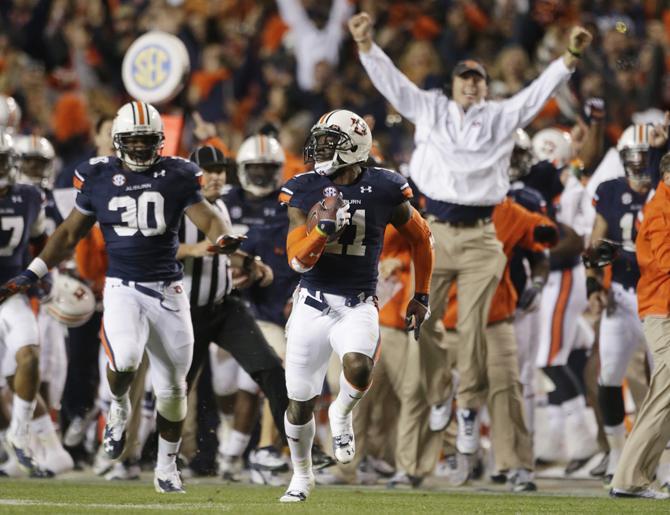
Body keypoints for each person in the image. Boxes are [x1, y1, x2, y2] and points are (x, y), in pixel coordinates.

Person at [348, 12, 593, 453]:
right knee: (419, 322)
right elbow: (394, 84)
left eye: (477, 78)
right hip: (436, 228)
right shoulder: (431, 109)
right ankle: (442, 394)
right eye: (464, 77)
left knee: (475, 325)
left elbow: (538, 93)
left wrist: (569, 57)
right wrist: (367, 47)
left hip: (482, 231)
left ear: (484, 85)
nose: (471, 83)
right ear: (454, 83)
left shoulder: (500, 116)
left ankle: (465, 410)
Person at [0, 101, 244, 494]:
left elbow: (208, 216)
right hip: (123, 288)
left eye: (149, 141)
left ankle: (166, 467)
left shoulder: (178, 174)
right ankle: (118, 407)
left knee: (173, 390)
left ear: (160, 142)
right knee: (126, 358)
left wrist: (221, 236)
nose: (143, 150)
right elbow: (67, 234)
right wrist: (33, 272)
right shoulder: (97, 176)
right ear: (117, 142)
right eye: (134, 141)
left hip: (169, 290)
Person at [277, 109, 434, 502]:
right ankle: (301, 475)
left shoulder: (385, 188)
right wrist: (321, 232)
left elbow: (422, 238)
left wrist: (422, 294)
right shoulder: (304, 187)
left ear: (355, 148)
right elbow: (296, 260)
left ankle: (342, 414)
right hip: (312, 302)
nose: (320, 149)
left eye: (330, 142)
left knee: (359, 366)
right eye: (321, 140)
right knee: (299, 402)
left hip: (358, 302)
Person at [586, 125, 664, 487]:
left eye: (644, 156)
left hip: (654, 292)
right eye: (632, 156)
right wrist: (592, 285)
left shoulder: (659, 192)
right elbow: (596, 241)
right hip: (624, 293)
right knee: (610, 374)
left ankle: (655, 463)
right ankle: (621, 454)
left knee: (660, 383)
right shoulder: (612, 190)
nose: (638, 164)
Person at [610, 153, 670, 499]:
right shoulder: (661, 209)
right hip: (661, 311)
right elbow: (665, 259)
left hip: (662, 308)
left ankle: (637, 476)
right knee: (664, 392)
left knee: (664, 393)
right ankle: (629, 477)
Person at [0, 128, 50, 477]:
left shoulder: (30, 196)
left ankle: (19, 433)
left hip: (10, 292)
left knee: (29, 357)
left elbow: (41, 240)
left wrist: (38, 276)